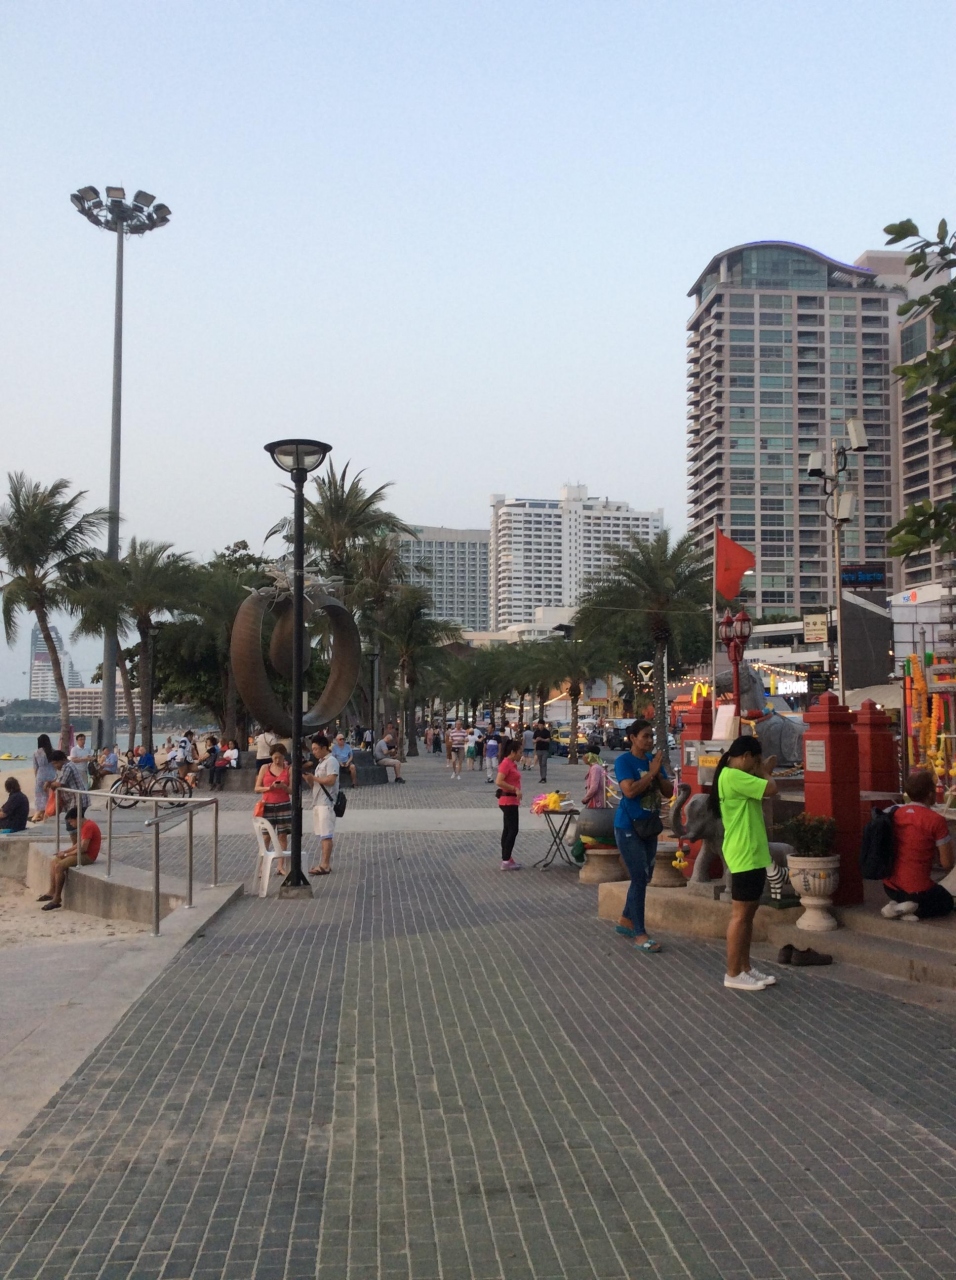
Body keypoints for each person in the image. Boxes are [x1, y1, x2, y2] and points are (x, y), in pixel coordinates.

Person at [710, 735, 779, 990]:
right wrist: (764, 771)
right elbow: (771, 788)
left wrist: (761, 770)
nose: (755, 766)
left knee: (749, 914)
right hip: (744, 852)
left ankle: (745, 967)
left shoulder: (735, 776)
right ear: (746, 757)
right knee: (740, 916)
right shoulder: (732, 776)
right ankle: (733, 972)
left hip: (752, 851)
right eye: (755, 761)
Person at [612, 721, 673, 955]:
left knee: (645, 877)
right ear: (633, 738)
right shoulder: (624, 762)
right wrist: (651, 774)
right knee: (638, 878)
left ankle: (626, 919)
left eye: (651, 736)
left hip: (649, 827)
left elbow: (668, 791)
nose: (649, 740)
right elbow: (629, 791)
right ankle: (640, 933)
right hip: (628, 826)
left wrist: (658, 774)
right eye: (645, 736)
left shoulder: (652, 761)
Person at [883, 770, 955, 920]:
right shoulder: (936, 820)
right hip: (917, 889)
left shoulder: (893, 813)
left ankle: (898, 906)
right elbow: (947, 863)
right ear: (929, 794)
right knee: (946, 902)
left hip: (889, 886)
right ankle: (912, 909)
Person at [37, 807, 101, 911]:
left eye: (71, 822)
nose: (71, 824)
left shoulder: (88, 826)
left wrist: (66, 855)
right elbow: (78, 844)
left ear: (77, 818)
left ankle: (57, 898)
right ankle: (52, 891)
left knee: (59, 866)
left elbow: (83, 848)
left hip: (88, 856)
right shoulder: (85, 826)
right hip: (83, 853)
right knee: (54, 861)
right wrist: (65, 852)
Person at [305, 733, 340, 875]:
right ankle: (324, 862)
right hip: (318, 801)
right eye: (312, 749)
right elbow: (316, 784)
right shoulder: (320, 763)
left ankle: (325, 864)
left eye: (316, 749)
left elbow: (331, 780)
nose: (314, 752)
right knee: (322, 834)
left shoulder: (331, 761)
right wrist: (310, 779)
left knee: (326, 834)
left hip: (326, 802)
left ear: (324, 747)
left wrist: (314, 778)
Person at [255, 745, 292, 874]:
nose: (277, 761)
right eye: (275, 758)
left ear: (284, 757)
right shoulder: (265, 768)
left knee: (282, 836)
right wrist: (268, 788)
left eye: (280, 758)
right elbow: (257, 788)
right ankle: (262, 867)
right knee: (266, 837)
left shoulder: (288, 769)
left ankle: (280, 866)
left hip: (283, 804)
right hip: (268, 805)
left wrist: (284, 787)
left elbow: (292, 790)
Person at [495, 738, 524, 868]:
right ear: (513, 752)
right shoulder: (506, 763)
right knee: (512, 830)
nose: (521, 755)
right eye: (520, 752)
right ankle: (506, 859)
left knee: (508, 829)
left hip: (511, 801)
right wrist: (515, 789)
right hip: (508, 801)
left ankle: (507, 857)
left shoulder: (512, 764)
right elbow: (499, 781)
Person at [49, 750, 89, 814]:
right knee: (73, 819)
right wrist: (49, 783)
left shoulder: (67, 767)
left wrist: (51, 785)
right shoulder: (60, 768)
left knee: (73, 819)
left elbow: (60, 784)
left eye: (56, 763)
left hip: (77, 799)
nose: (55, 766)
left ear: (63, 760)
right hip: (71, 800)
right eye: (53, 764)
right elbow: (56, 779)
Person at [32, 734, 56, 822]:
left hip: (41, 775)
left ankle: (38, 814)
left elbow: (35, 767)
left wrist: (36, 777)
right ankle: (46, 813)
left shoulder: (36, 752)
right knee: (50, 796)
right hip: (52, 775)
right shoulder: (53, 751)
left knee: (39, 796)